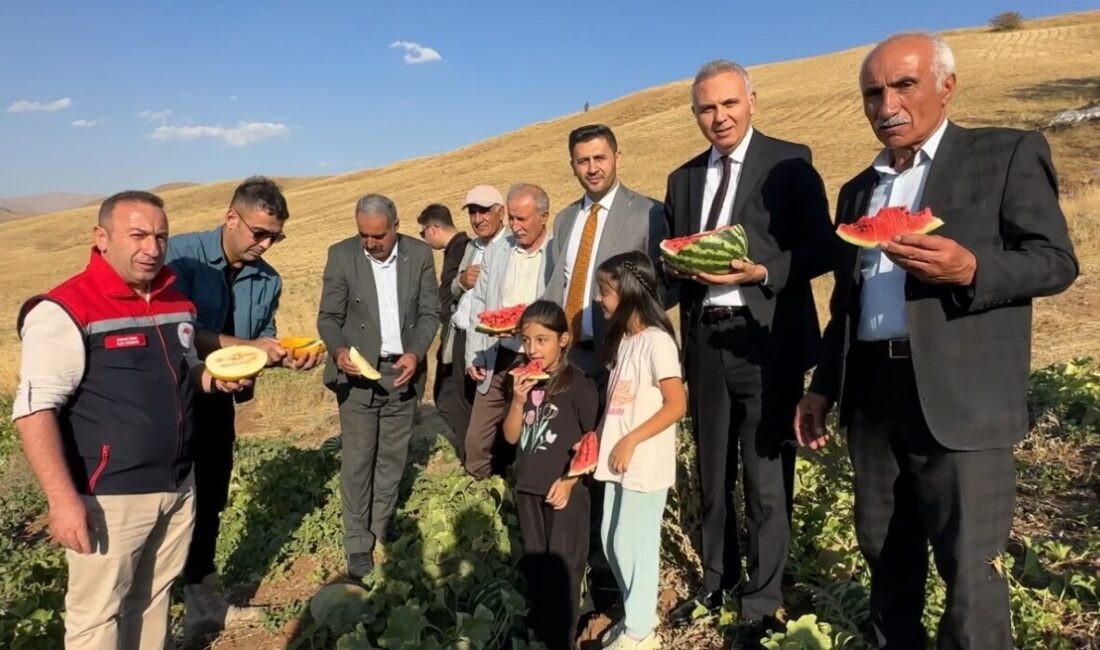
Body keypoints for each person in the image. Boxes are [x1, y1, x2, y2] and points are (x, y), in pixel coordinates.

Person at [795, 32, 1077, 649]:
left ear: (946, 86)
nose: (886, 104)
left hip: (961, 399)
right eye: (873, 92)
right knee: (885, 562)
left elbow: (1055, 262)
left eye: (904, 85)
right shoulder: (857, 191)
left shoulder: (1005, 154)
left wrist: (974, 269)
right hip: (872, 396)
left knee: (970, 575)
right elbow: (846, 302)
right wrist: (822, 387)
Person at [11, 190, 251, 650]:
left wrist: (214, 381)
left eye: (161, 236)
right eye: (137, 235)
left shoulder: (175, 303)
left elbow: (186, 374)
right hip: (108, 495)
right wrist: (63, 501)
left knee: (153, 600)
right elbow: (35, 409)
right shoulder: (64, 310)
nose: (152, 248)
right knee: (98, 618)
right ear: (101, 238)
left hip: (177, 485)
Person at [662, 59, 834, 643]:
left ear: (752, 102)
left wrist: (766, 270)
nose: (719, 117)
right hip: (706, 342)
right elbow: (673, 269)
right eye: (707, 108)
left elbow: (824, 248)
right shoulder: (682, 179)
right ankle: (715, 580)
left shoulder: (791, 162)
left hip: (767, 343)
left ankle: (762, 602)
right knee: (712, 473)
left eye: (729, 104)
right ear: (695, 114)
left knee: (764, 478)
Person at [166, 175, 320, 631]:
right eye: (259, 233)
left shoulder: (268, 279)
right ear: (231, 218)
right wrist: (248, 344)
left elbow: (260, 343)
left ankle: (202, 605)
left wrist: (284, 357)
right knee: (165, 506)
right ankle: (145, 617)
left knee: (210, 499)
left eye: (276, 236)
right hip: (169, 401)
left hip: (218, 406)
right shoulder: (180, 255)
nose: (267, 245)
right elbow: (178, 329)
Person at [317, 194, 441, 579]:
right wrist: (338, 351)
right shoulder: (342, 256)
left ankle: (380, 524)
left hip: (402, 373)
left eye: (378, 236)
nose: (369, 243)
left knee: (391, 457)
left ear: (395, 226)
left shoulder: (419, 255)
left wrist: (417, 352)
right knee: (357, 460)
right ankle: (357, 543)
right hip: (357, 376)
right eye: (363, 235)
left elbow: (429, 313)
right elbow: (328, 318)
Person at [592, 252, 688, 650]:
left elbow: (676, 404)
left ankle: (641, 630)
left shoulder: (657, 341)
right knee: (610, 539)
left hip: (644, 460)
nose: (599, 299)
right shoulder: (625, 340)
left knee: (635, 544)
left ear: (629, 292)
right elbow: (618, 401)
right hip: (615, 456)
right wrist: (598, 437)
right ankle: (636, 614)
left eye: (605, 291)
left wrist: (631, 439)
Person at [502, 300, 599, 650]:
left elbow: (593, 441)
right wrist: (516, 402)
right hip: (528, 486)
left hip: (565, 493)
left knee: (565, 570)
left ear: (564, 339)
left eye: (542, 340)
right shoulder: (522, 382)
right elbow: (512, 436)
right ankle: (543, 634)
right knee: (538, 566)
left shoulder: (580, 387)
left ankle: (564, 640)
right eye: (526, 341)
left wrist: (571, 481)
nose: (532, 349)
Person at [544, 124, 667, 388]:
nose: (592, 169)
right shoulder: (565, 219)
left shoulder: (649, 213)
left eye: (599, 158)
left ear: (617, 158)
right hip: (569, 356)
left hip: (623, 354)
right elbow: (559, 284)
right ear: (572, 165)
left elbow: (664, 285)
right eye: (583, 161)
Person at [464, 183, 552, 479]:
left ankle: (521, 493)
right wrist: (474, 353)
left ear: (544, 216)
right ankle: (478, 493)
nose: (515, 226)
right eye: (512, 218)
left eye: (522, 219)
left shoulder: (557, 250)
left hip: (537, 359)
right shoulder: (497, 250)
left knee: (532, 431)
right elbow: (481, 302)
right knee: (476, 439)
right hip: (496, 355)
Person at [448, 185, 508, 455]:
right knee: (460, 402)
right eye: (473, 212)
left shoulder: (510, 245)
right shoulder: (471, 246)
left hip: (488, 337)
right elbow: (453, 287)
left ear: (501, 213)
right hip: (462, 334)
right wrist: (461, 281)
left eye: (484, 211)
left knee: (489, 407)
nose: (477, 219)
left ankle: (492, 465)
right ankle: (469, 460)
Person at [416, 203, 472, 460]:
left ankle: (471, 453)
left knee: (448, 398)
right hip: (456, 333)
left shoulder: (459, 249)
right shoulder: (459, 247)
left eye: (422, 233)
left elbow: (449, 294)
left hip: (458, 335)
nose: (423, 239)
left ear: (434, 228)